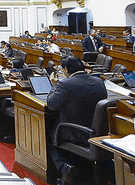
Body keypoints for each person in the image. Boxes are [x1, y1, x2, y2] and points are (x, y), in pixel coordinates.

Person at [47, 55, 107, 185]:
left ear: (66, 69)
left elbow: (51, 105)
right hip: (97, 131)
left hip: (75, 134)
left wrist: (53, 86)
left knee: (48, 135)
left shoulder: (64, 84)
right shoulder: (99, 81)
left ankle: (64, 168)